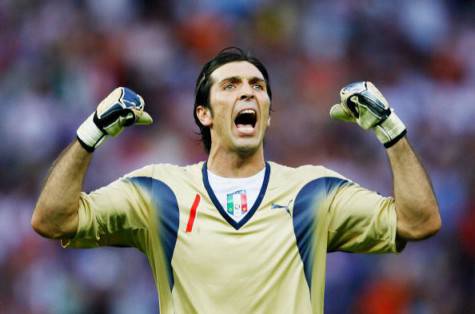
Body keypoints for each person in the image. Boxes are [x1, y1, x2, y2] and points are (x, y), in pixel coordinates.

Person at [31, 47, 441, 314]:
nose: (248, 93)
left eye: (258, 87)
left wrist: (391, 130)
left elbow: (418, 221)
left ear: (268, 112)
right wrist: (91, 133)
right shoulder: (161, 193)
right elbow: (53, 220)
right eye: (230, 86)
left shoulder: (313, 192)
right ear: (204, 114)